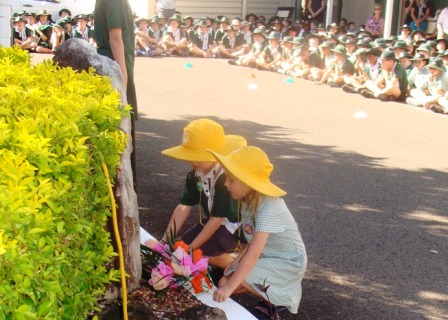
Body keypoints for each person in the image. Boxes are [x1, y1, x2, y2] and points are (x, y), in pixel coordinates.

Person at [210, 146, 307, 319]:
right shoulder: (250, 201)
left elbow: (254, 253)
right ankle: (273, 297)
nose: (226, 184)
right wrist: (236, 261)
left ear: (247, 183)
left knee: (227, 282)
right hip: (271, 258)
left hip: (288, 263)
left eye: (231, 180)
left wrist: (230, 287)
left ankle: (279, 303)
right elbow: (251, 243)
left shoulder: (268, 208)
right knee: (226, 277)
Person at [160, 119, 247, 269]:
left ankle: (237, 270)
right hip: (216, 221)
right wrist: (164, 241)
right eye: (190, 154)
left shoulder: (225, 178)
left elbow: (216, 220)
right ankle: (225, 261)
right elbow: (184, 206)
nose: (194, 161)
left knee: (203, 250)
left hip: (238, 227)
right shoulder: (194, 174)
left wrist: (191, 250)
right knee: (185, 241)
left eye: (200, 155)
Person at [95, 0, 138, 185]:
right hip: (115, 67)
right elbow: (115, 37)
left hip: (111, 65)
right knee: (121, 133)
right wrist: (123, 76)